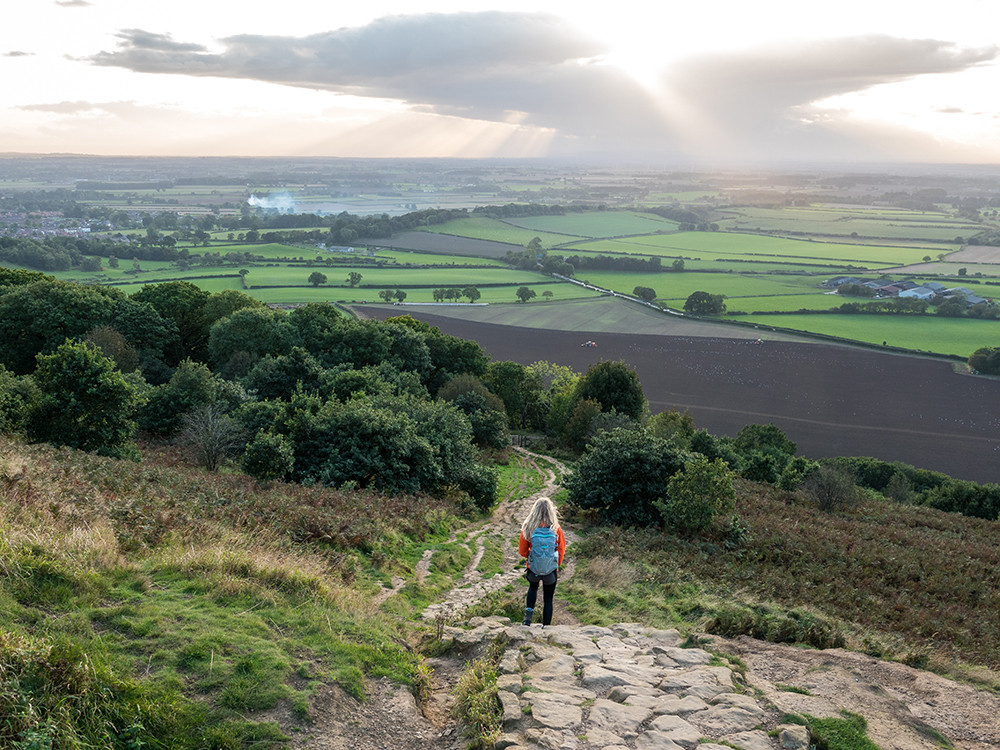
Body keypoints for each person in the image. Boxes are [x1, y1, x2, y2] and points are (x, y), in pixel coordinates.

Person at [518, 497, 566, 627]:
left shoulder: (529, 527)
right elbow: (561, 549)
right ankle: (546, 627)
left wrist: (531, 557)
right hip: (550, 571)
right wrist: (555, 564)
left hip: (533, 569)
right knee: (548, 598)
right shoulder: (556, 529)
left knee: (533, 588)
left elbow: (522, 550)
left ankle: (527, 620)